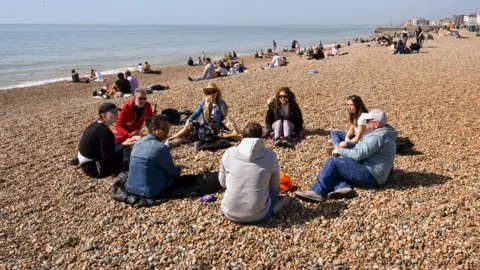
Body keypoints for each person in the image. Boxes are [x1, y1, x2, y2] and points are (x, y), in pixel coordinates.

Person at [296, 110, 397, 202]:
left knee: (333, 163)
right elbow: (366, 149)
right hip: (375, 173)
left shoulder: (377, 137)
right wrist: (348, 145)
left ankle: (317, 192)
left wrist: (340, 150)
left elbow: (358, 154)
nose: (365, 123)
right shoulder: (385, 133)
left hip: (371, 175)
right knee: (338, 165)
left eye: (368, 121)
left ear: (376, 124)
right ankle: (343, 187)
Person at [219, 122, 289, 224]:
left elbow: (223, 183)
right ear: (261, 137)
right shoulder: (271, 155)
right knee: (274, 189)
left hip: (230, 212)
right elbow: (274, 186)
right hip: (260, 215)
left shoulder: (229, 153)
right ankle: (275, 205)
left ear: (242, 136)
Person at [125, 115, 200, 198]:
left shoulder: (138, 142)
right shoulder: (160, 148)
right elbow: (173, 173)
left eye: (168, 129)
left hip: (131, 187)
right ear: (154, 130)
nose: (167, 132)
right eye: (164, 129)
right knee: (190, 180)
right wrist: (178, 170)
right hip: (150, 191)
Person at [77, 103, 126, 178]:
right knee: (127, 153)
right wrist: (124, 147)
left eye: (117, 112)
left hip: (87, 162)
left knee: (124, 148)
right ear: (103, 115)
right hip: (94, 168)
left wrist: (123, 144)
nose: (117, 114)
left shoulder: (96, 125)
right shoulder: (104, 131)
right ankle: (121, 178)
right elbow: (108, 157)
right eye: (113, 112)